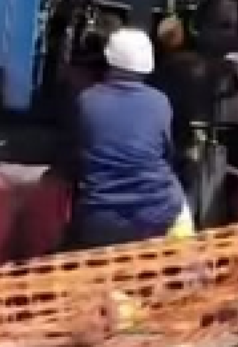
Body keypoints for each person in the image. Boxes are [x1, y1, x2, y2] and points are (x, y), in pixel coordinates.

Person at [61, 26, 194, 250]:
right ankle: (194, 278)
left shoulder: (87, 101)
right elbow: (166, 154)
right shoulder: (160, 103)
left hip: (100, 220)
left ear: (108, 60)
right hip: (158, 215)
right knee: (186, 232)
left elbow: (75, 155)